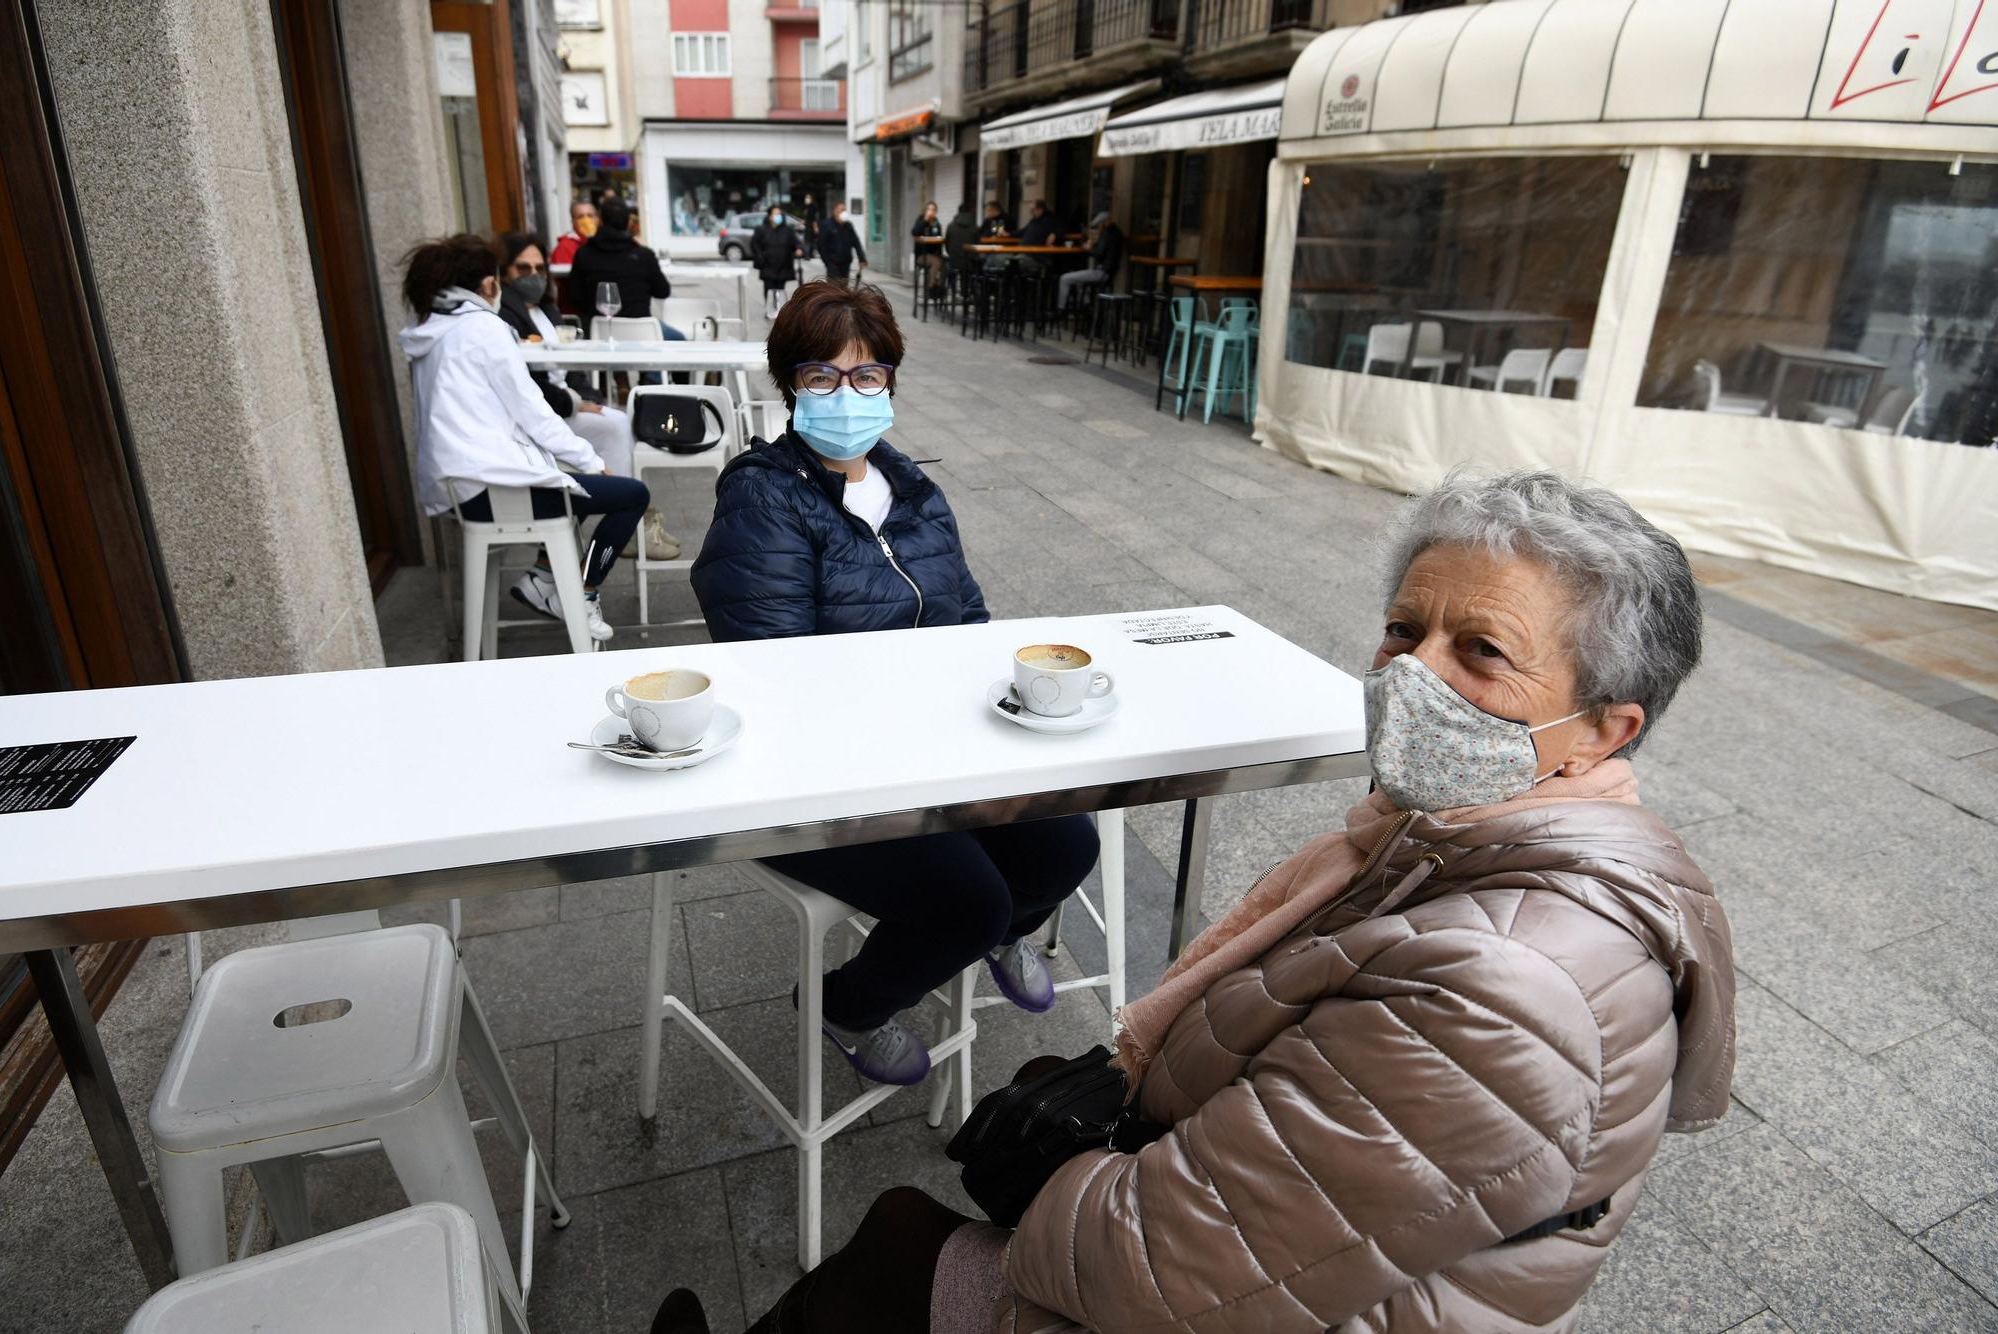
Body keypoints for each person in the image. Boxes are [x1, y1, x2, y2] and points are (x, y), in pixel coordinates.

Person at [659, 470, 1737, 1333]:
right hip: (1312, 1256)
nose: (1413, 675)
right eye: (1403, 631)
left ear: (1604, 727)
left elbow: (1160, 1268)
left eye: (1481, 651)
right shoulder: (1441, 844)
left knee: (898, 1229)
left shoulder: (1510, 983)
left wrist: (1050, 1174)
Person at [689, 281, 1098, 1088]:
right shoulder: (763, 495)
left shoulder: (912, 488)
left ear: (892, 382)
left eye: (868, 375)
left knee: (1067, 845)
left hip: (937, 752)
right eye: (823, 377)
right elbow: (775, 669)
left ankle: (1000, 932)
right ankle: (845, 1004)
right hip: (820, 776)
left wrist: (997, 699)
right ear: (790, 386)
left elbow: (970, 616)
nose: (848, 395)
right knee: (967, 900)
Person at [398, 234, 649, 643]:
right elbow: (534, 413)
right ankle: (581, 594)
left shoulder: (433, 331)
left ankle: (544, 577)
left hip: (458, 487)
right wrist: (589, 459)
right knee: (629, 494)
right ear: (488, 284)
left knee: (572, 484)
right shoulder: (483, 328)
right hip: (490, 488)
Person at [495, 231, 680, 560]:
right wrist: (577, 402)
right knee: (615, 425)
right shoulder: (505, 316)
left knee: (614, 421)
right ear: (504, 272)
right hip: (541, 414)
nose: (533, 276)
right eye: (523, 269)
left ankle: (629, 517)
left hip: (562, 403)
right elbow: (527, 387)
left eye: (539, 268)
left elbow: (571, 365)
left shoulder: (546, 309)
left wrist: (587, 396)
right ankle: (630, 519)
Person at [565, 197, 684, 341]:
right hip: (643, 333)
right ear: (628, 222)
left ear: (600, 221)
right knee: (680, 339)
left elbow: (574, 297)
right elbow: (663, 291)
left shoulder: (584, 254)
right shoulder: (644, 255)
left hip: (599, 332)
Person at [1055, 210, 1124, 313]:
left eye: (1098, 225)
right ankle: (1085, 306)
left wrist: (1088, 248)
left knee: (1064, 278)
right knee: (1079, 280)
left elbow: (1099, 254)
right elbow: (1103, 251)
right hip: (1108, 272)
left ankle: (1061, 310)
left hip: (1102, 272)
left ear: (1103, 223)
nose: (1097, 228)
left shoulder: (1108, 234)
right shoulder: (1116, 232)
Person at [749, 202, 804, 318]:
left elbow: (796, 242)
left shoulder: (787, 230)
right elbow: (754, 245)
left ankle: (779, 309)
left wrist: (798, 249)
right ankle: (769, 309)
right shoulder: (761, 229)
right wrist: (760, 256)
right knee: (769, 288)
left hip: (783, 265)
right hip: (768, 265)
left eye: (779, 214)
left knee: (780, 288)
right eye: (775, 214)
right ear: (769, 216)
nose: (778, 216)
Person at [548, 197, 597, 315]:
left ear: (597, 218)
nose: (586, 220)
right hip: (575, 313)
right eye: (580, 217)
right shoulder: (564, 247)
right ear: (573, 221)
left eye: (590, 215)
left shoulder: (604, 243)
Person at [815, 200, 866, 286]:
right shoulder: (826, 225)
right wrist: (827, 262)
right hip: (833, 264)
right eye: (842, 210)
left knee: (843, 291)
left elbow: (856, 242)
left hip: (846, 264)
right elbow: (821, 245)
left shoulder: (848, 225)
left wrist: (862, 258)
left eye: (845, 210)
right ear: (835, 211)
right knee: (834, 291)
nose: (844, 212)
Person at [909, 200, 944, 299]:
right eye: (929, 209)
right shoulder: (920, 220)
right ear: (925, 210)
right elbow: (914, 232)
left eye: (933, 210)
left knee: (945, 263)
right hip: (921, 255)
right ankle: (930, 288)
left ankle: (939, 287)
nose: (931, 212)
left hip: (933, 254)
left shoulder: (936, 223)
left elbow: (939, 239)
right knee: (936, 262)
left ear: (936, 212)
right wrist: (925, 220)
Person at [800, 190, 823, 259]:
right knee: (810, 240)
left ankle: (807, 255)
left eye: (808, 198)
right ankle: (810, 254)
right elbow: (806, 218)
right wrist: (800, 222)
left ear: (811, 199)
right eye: (806, 198)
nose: (806, 199)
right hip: (807, 226)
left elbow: (814, 219)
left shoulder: (812, 206)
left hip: (811, 227)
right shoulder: (807, 207)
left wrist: (815, 227)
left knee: (808, 241)